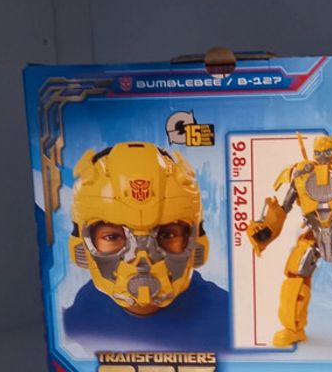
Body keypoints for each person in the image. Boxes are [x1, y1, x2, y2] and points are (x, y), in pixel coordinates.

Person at [63, 141, 229, 352]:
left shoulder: (228, 317)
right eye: (113, 236)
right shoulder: (86, 309)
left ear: (197, 242)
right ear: (81, 246)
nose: (142, 259)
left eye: (167, 234)